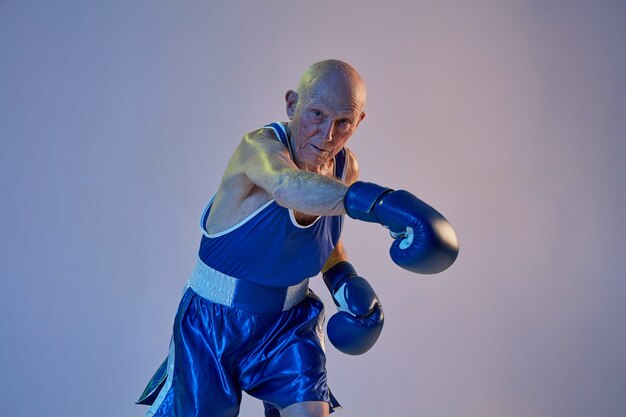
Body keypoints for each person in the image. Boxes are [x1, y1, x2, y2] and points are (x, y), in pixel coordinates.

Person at [137, 59, 459, 417]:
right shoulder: (259, 148)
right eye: (317, 114)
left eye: (343, 123)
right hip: (214, 321)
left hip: (287, 323)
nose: (328, 136)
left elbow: (322, 239)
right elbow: (288, 187)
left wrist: (343, 280)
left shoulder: (345, 167)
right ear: (292, 104)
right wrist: (382, 204)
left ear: (359, 122)